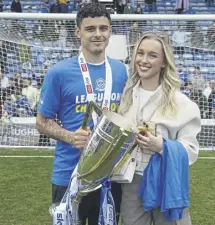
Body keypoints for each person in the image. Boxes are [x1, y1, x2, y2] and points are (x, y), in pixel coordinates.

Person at [36, 3, 127, 225]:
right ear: (78, 32)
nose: (98, 34)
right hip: (69, 174)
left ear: (110, 31)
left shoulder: (120, 70)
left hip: (109, 175)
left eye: (103, 28)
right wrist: (70, 136)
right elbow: (41, 121)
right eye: (90, 29)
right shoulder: (59, 72)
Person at [117, 32, 201, 225]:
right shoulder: (126, 97)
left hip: (167, 181)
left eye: (152, 55)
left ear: (164, 62)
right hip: (131, 181)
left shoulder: (182, 104)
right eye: (140, 53)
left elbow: (191, 151)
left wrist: (161, 146)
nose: (144, 60)